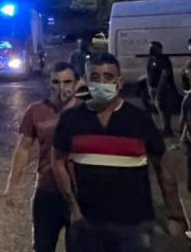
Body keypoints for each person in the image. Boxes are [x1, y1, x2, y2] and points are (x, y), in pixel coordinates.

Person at [53, 54, 186, 251]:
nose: (101, 83)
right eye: (95, 77)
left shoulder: (139, 119)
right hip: (88, 224)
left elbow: (162, 168)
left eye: (108, 77)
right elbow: (58, 162)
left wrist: (175, 215)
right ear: (86, 82)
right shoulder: (71, 120)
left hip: (135, 225)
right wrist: (74, 208)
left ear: (120, 82)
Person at [4, 62, 79, 251]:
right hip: (47, 192)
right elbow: (24, 148)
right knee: (43, 246)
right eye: (56, 81)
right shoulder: (36, 111)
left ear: (76, 83)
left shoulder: (86, 112)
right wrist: (12, 184)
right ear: (49, 83)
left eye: (67, 81)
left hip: (81, 194)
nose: (62, 87)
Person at [147, 41, 180, 136]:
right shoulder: (151, 59)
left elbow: (165, 74)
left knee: (164, 108)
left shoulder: (164, 59)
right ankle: (164, 128)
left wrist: (159, 90)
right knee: (158, 107)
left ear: (160, 49)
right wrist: (149, 87)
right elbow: (148, 73)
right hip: (153, 87)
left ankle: (167, 128)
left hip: (163, 88)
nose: (151, 49)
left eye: (154, 47)